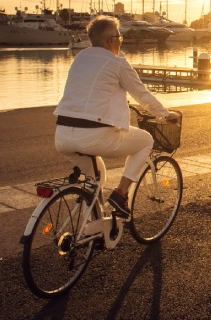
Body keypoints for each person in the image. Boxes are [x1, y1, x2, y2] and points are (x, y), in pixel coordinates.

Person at [54, 15, 179, 217]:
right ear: (110, 40)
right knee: (146, 140)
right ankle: (121, 194)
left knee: (96, 178)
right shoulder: (117, 63)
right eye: (120, 36)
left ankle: (91, 227)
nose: (121, 40)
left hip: (62, 135)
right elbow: (142, 95)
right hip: (94, 136)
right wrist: (165, 114)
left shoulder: (80, 58)